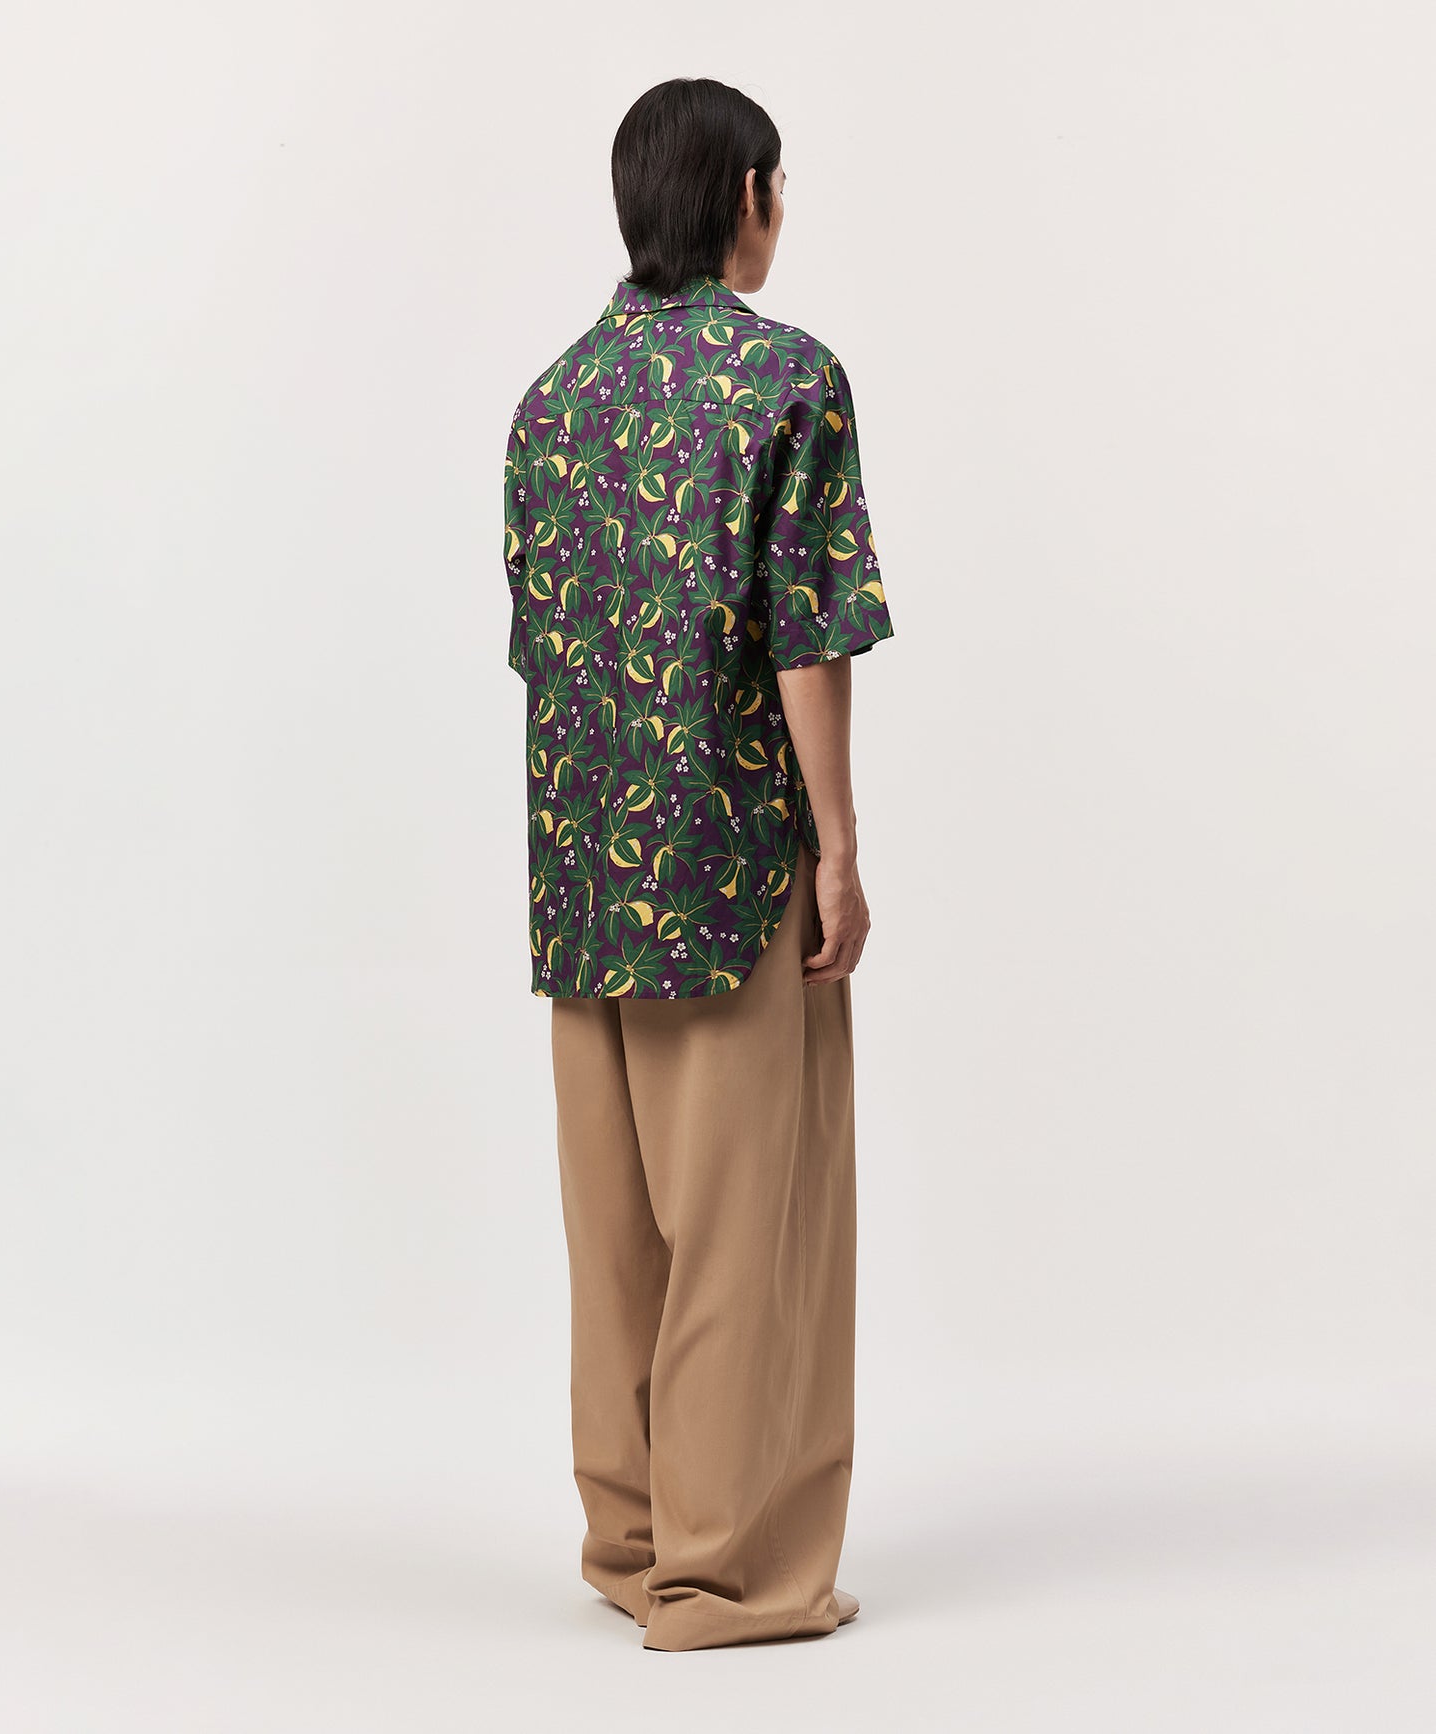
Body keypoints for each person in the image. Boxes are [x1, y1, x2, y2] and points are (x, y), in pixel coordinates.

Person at [501, 76, 896, 1652]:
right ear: (743, 197)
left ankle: (631, 1539)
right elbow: (806, 630)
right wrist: (839, 845)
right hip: (727, 869)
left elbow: (541, 651)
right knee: (744, 1228)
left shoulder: (549, 402)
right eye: (774, 188)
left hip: (581, 872)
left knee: (616, 1240)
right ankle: (722, 1576)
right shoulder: (786, 379)